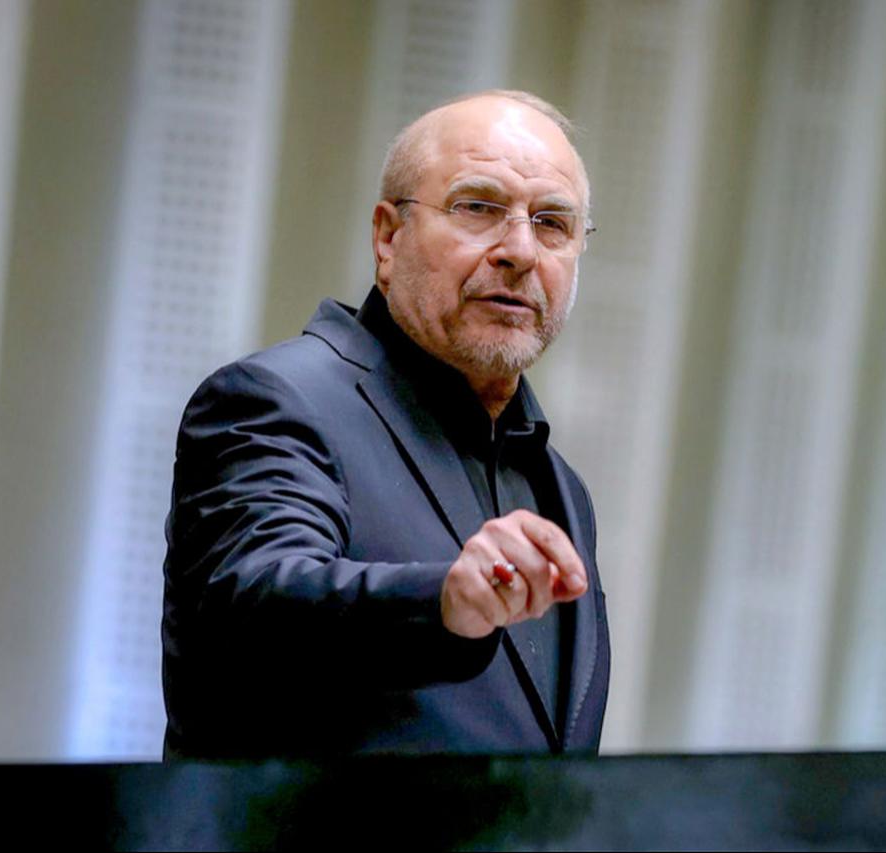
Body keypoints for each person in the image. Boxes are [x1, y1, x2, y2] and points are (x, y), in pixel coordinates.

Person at [161, 90, 610, 760]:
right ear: (388, 235)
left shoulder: (560, 486)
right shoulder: (276, 399)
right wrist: (443, 603)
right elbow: (251, 607)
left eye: (552, 222)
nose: (519, 249)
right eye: (479, 207)